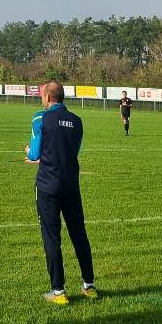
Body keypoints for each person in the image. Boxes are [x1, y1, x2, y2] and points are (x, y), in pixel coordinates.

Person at [25, 80, 96, 305]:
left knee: (51, 237)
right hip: (71, 186)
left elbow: (34, 154)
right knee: (79, 234)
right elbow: (73, 151)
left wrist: (30, 152)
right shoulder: (77, 121)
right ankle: (89, 285)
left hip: (48, 186)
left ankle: (58, 292)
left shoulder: (40, 118)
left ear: (47, 97)